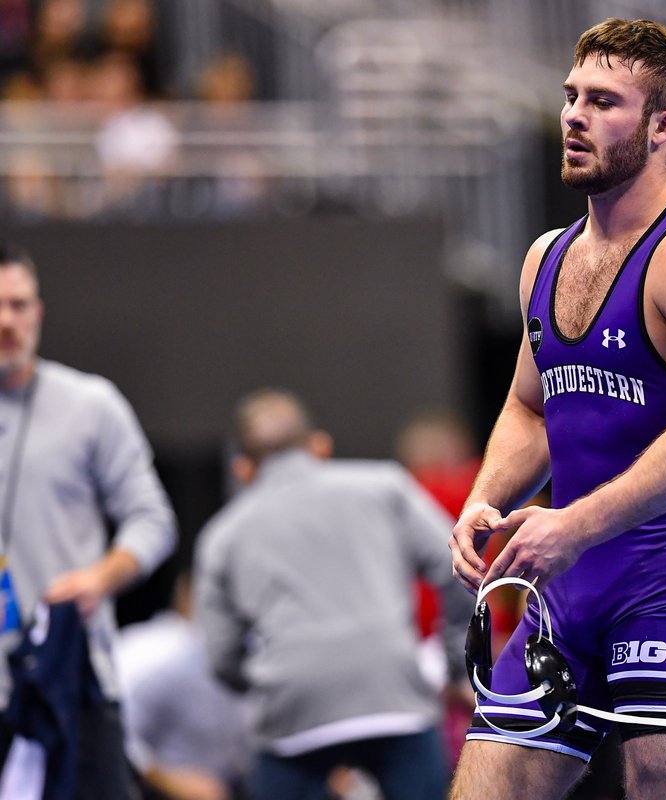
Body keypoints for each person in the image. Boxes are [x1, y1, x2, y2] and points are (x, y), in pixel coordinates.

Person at [447, 17, 666, 800]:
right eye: (570, 96)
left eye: (603, 102)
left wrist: (575, 522)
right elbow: (529, 409)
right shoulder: (547, 258)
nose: (574, 116)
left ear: (665, 127)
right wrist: (486, 500)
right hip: (567, 586)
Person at [193, 388, 474, 800]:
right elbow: (461, 569)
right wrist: (454, 667)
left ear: (243, 469)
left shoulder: (222, 536)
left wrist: (267, 680)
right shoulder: (386, 487)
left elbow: (220, 656)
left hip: (291, 712)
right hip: (393, 694)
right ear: (320, 446)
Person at [0, 240, 177, 798]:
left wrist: (99, 579)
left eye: (20, 304)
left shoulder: (90, 405)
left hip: (74, 678)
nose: (8, 321)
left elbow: (152, 519)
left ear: (39, 311)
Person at [114, 572, 250, 800]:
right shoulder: (155, 653)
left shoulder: (255, 652)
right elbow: (115, 739)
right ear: (188, 595)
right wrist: (171, 781)